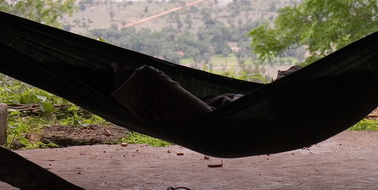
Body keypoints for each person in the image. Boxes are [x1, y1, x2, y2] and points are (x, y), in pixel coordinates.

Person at [109, 64, 302, 124]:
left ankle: (101, 79)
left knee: (147, 76)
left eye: (281, 79)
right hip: (216, 113)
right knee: (137, 75)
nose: (277, 77)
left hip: (213, 123)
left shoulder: (271, 111)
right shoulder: (261, 103)